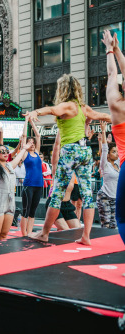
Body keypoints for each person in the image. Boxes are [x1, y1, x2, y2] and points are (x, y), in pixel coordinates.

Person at [25, 73, 111, 245]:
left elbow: (51, 110)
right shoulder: (83, 108)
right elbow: (104, 116)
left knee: (57, 194)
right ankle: (86, 237)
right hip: (85, 150)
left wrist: (35, 112)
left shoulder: (67, 106)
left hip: (70, 150)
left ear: (63, 89)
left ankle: (44, 233)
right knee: (87, 194)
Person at [103, 30, 125, 244]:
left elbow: (112, 75)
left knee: (122, 215)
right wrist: (117, 50)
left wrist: (110, 49)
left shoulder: (116, 106)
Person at [45, 131, 81, 231]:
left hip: (66, 205)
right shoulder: (57, 167)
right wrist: (61, 130)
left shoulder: (73, 170)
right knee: (66, 231)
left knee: (77, 231)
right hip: (54, 204)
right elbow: (56, 146)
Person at [20, 116, 43, 236]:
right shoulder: (25, 154)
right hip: (28, 185)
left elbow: (38, 135)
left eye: (33, 143)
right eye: (30, 143)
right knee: (26, 210)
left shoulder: (37, 153)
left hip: (39, 185)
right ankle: (23, 234)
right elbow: (24, 137)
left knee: (33, 212)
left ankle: (29, 233)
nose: (32, 144)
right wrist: (25, 121)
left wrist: (31, 121)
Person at [97, 120, 119, 228]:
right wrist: (103, 131)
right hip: (104, 196)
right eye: (114, 152)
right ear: (108, 155)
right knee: (106, 224)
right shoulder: (104, 164)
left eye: (117, 151)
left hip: (115, 197)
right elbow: (104, 149)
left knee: (114, 225)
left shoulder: (118, 165)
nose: (117, 154)